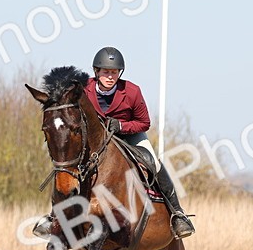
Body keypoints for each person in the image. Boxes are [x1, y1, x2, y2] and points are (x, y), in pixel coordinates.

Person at [36, 47, 195, 240]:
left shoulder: (132, 91)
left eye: (114, 72)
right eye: (106, 72)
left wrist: (120, 125)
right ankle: (54, 217)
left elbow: (144, 122)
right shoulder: (84, 91)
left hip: (129, 135)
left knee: (154, 162)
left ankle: (177, 214)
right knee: (67, 166)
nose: (110, 76)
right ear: (96, 72)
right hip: (95, 140)